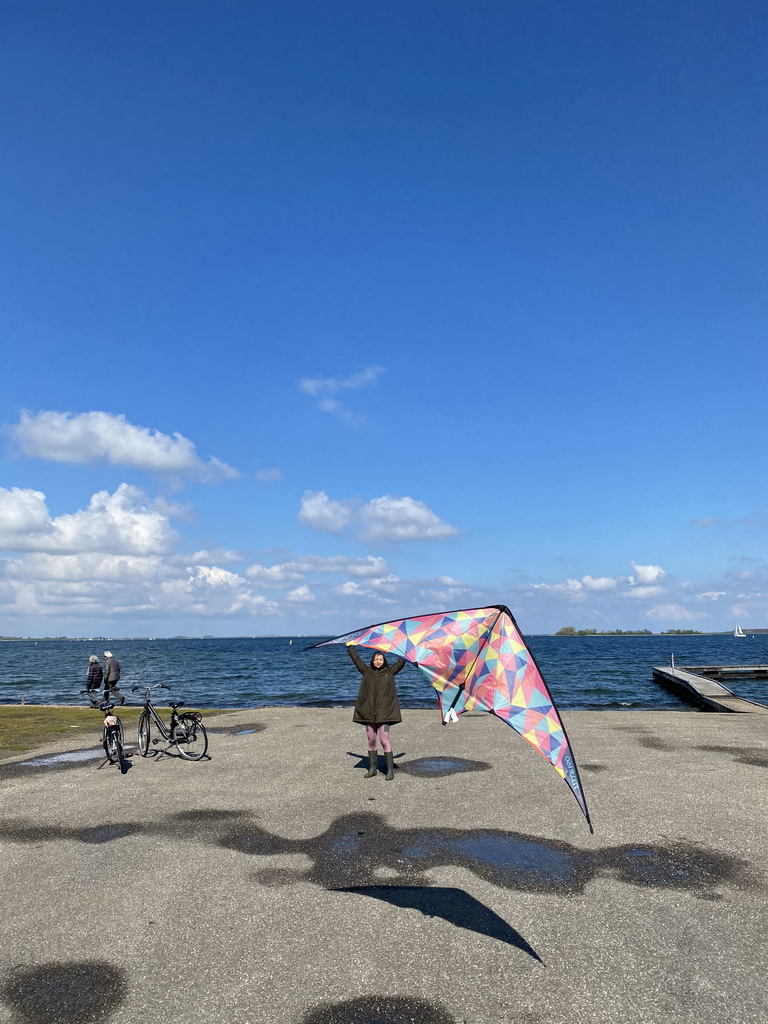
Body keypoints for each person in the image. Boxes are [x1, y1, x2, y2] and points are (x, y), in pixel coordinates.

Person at [347, 642, 405, 780]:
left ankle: (389, 770)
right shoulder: (366, 671)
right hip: (369, 714)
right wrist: (350, 648)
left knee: (385, 740)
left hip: (385, 714)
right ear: (372, 661)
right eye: (375, 659)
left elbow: (402, 661)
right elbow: (357, 660)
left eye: (380, 659)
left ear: (384, 661)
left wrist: (405, 648)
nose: (378, 661)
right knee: (371, 740)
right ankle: (372, 768)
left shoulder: (390, 672)